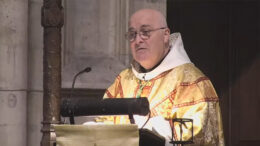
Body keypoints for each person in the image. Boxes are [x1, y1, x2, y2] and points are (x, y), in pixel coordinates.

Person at [100, 9, 225, 146]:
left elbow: (198, 135)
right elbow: (103, 122)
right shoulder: (123, 81)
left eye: (145, 32)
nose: (137, 40)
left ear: (165, 35)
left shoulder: (192, 83)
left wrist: (152, 129)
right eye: (132, 34)